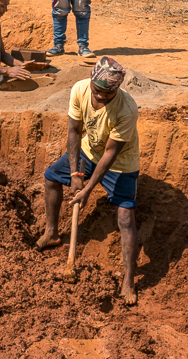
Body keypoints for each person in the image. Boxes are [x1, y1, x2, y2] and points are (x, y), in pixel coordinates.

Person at [37, 57, 140, 305]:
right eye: (98, 91)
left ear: (116, 89)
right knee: (51, 178)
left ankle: (128, 279)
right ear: (91, 82)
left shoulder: (127, 109)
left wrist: (87, 190)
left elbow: (110, 154)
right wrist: (75, 176)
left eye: (108, 93)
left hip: (120, 164)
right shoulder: (79, 89)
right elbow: (74, 131)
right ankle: (51, 233)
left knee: (126, 216)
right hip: (87, 151)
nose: (102, 97)